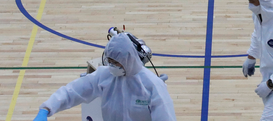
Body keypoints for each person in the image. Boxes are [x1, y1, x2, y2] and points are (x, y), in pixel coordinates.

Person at [32, 33, 176, 121]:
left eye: (116, 62)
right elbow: (73, 91)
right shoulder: (104, 76)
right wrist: (46, 108)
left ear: (128, 60)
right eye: (110, 61)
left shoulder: (152, 85)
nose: (112, 66)